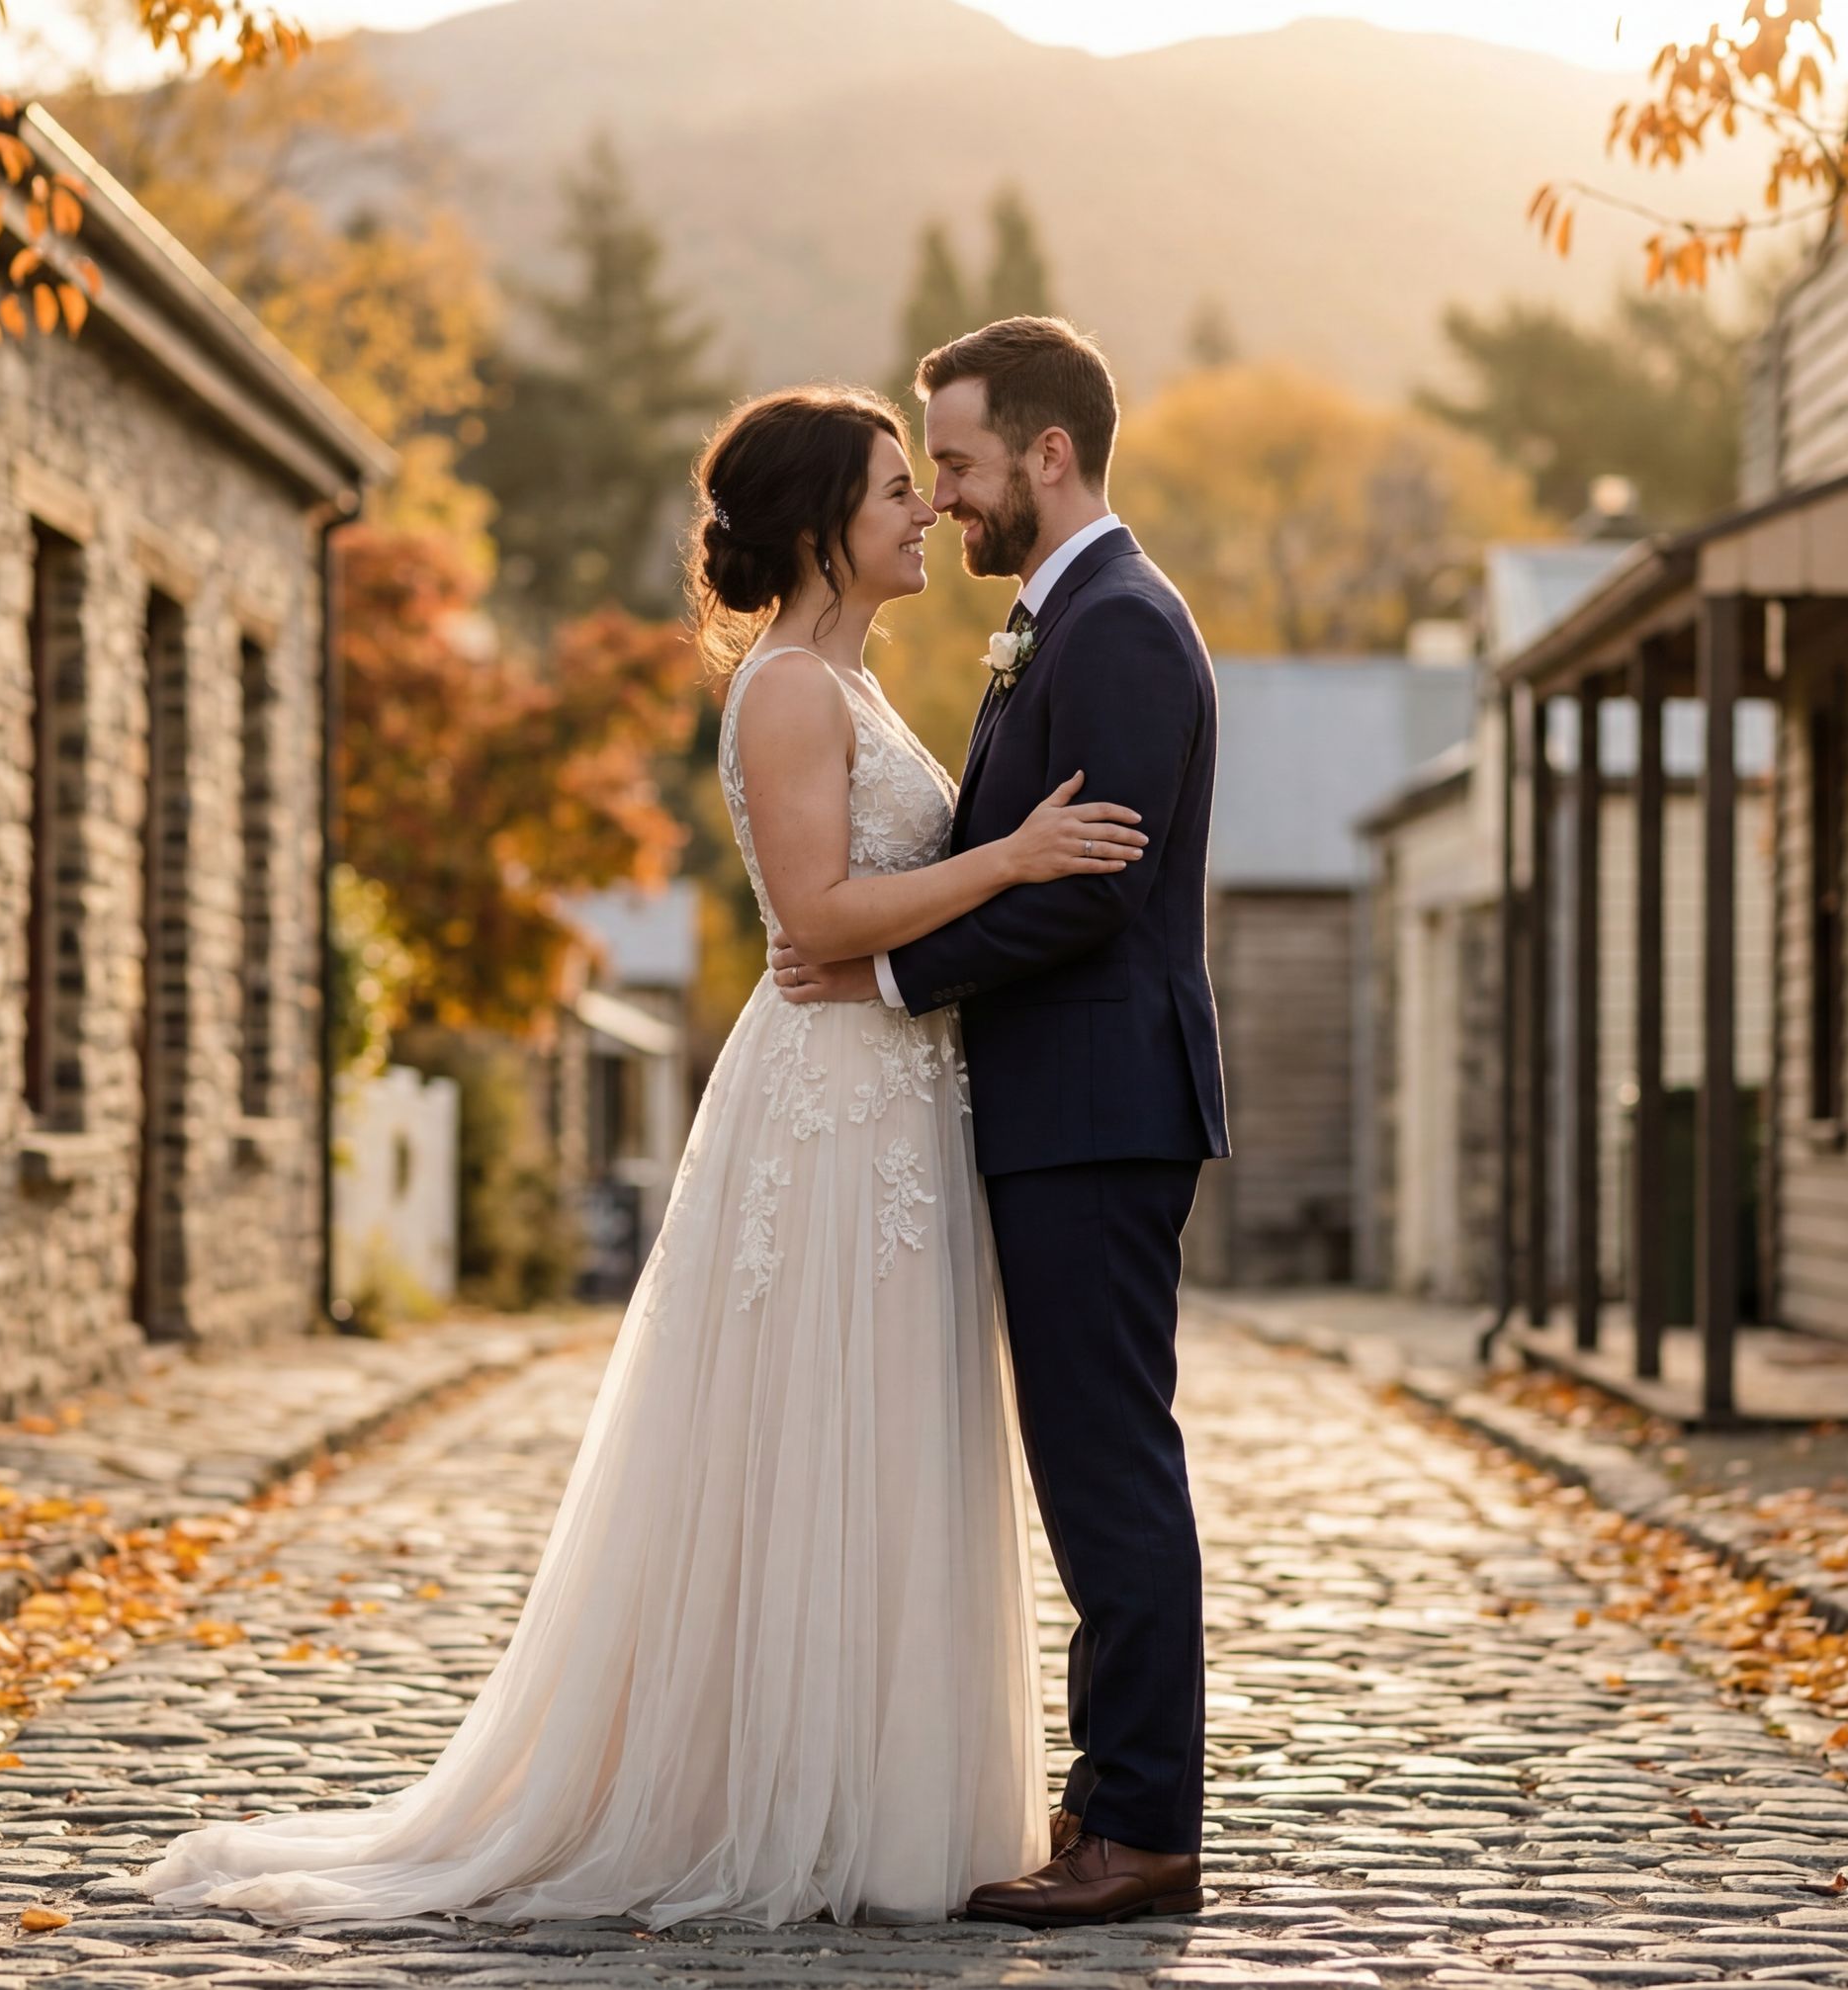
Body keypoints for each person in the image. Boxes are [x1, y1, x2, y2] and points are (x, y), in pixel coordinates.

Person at [136, 383, 1150, 1929]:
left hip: (892, 1097)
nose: (926, 511)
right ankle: (776, 1794)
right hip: (830, 1100)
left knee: (881, 1431)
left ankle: (873, 1782)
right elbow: (812, 920)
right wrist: (1006, 858)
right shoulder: (792, 694)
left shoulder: (851, 684)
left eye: (925, 481)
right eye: (897, 488)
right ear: (823, 525)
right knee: (816, 1431)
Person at [771, 316, 1228, 1930]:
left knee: (1107, 1464)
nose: (946, 497)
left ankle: (1143, 1825)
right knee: (1089, 1456)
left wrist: (885, 973)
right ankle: (1115, 1800)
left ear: (1048, 454)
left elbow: (1085, 893)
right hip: (1062, 1102)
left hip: (1097, 1103)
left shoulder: (1113, 625)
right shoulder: (1060, 619)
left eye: (956, 462)